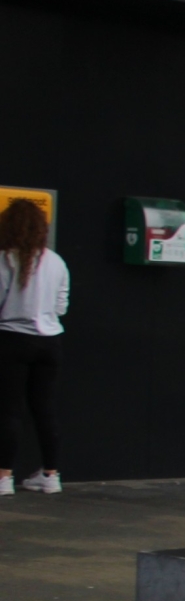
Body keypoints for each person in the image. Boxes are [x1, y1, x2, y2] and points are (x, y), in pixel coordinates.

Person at [0, 195, 69, 494]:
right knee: (44, 407)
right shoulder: (56, 262)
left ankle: (3, 477)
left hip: (11, 340)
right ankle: (51, 475)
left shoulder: (5, 259)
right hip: (50, 342)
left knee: (9, 409)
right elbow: (61, 306)